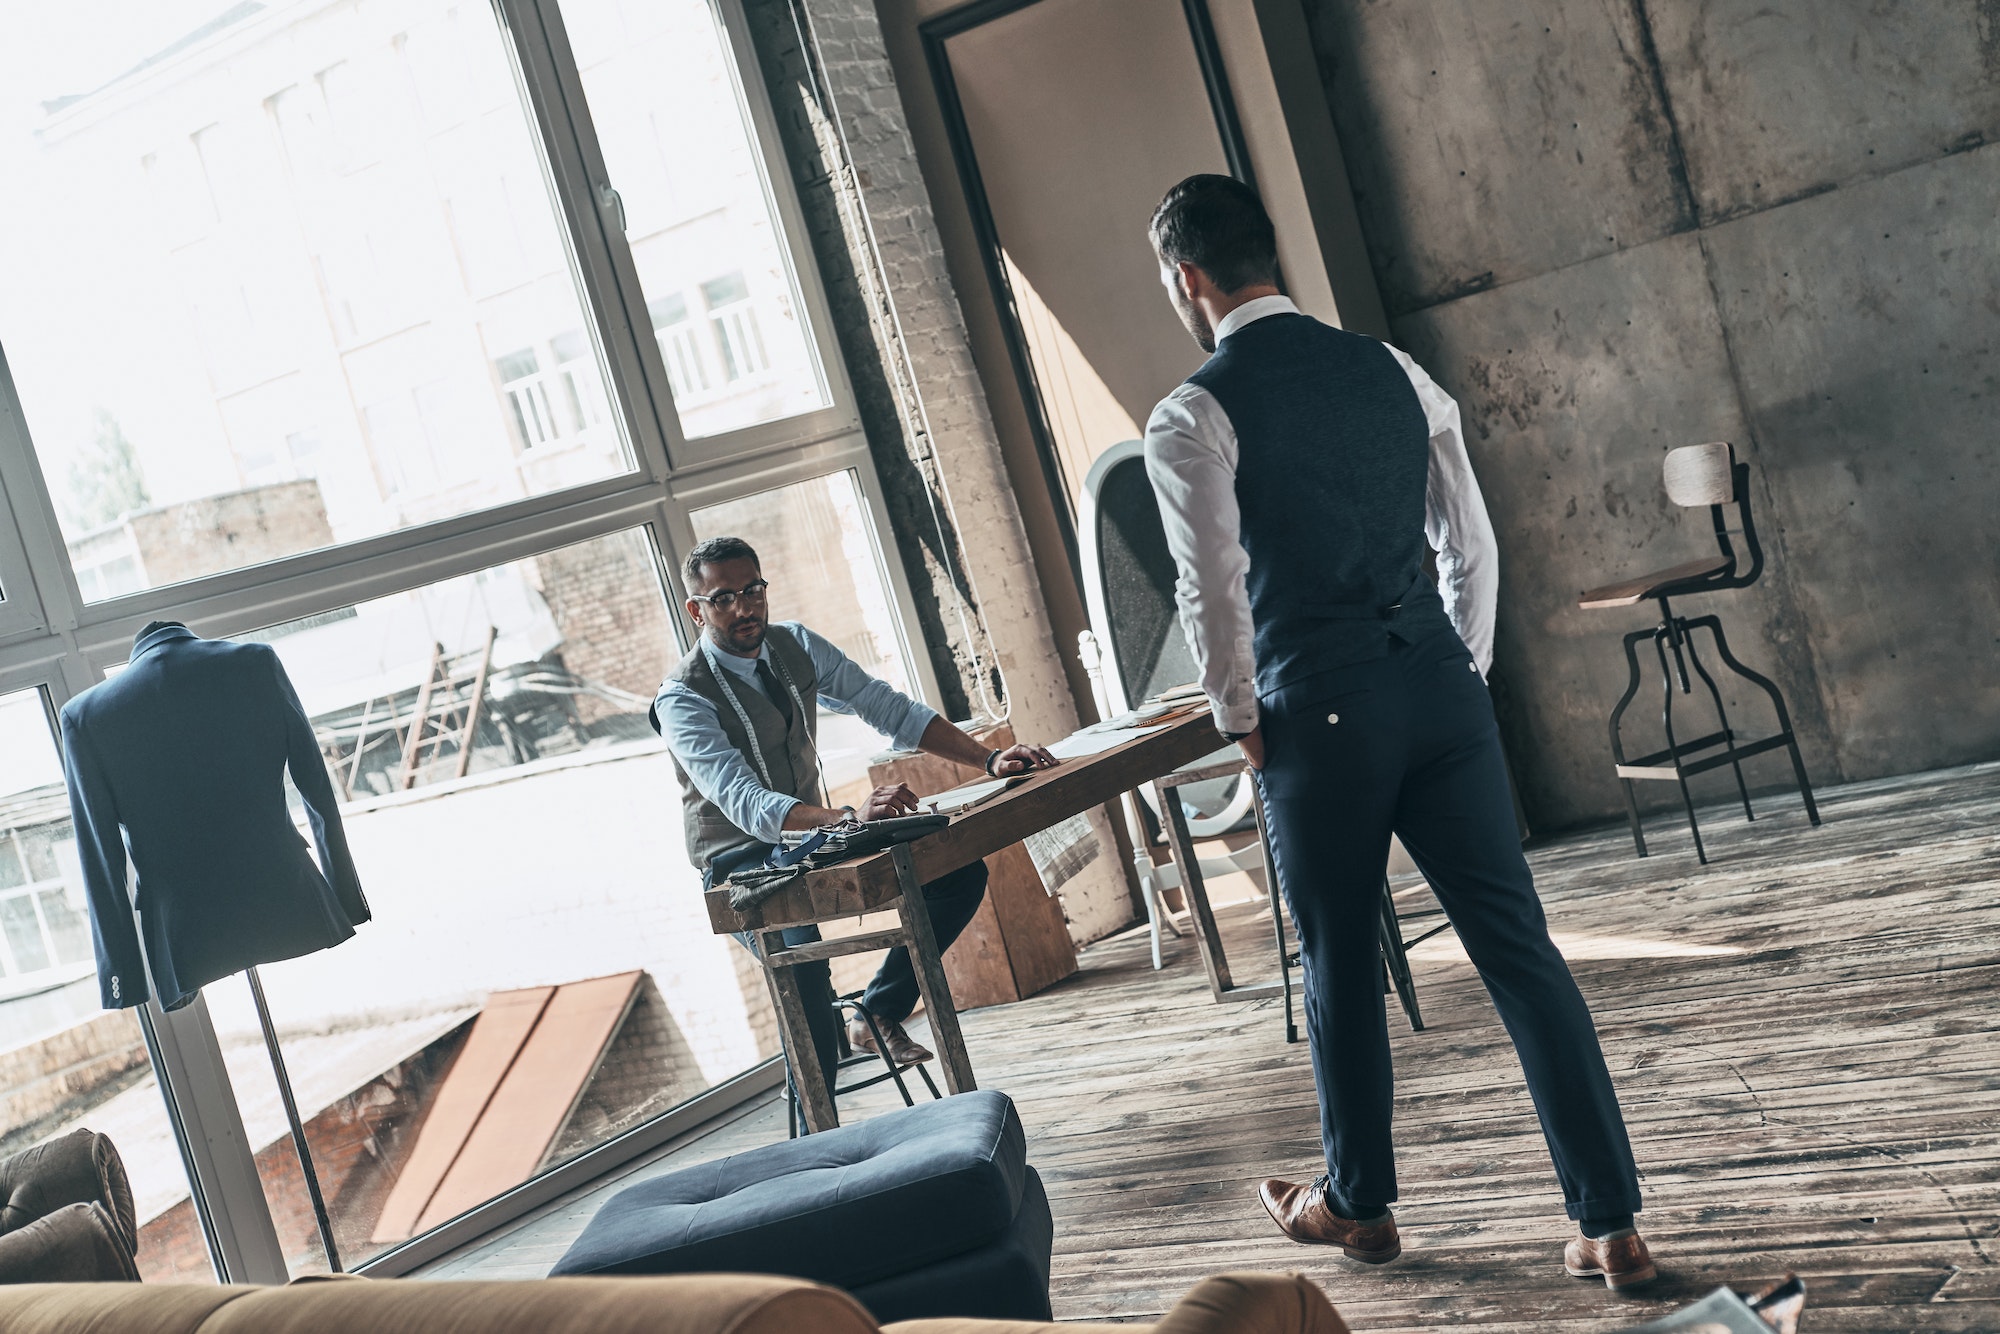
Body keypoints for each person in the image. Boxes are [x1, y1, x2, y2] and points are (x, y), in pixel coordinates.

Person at [1140, 175, 1652, 1288]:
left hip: (1315, 715)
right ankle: (1607, 1221)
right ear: (1267, 255)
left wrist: (1239, 718)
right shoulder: (1393, 368)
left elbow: (1212, 590)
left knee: (1337, 957)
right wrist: (1452, 668)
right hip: (1438, 689)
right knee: (1519, 949)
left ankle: (1360, 1207)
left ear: (1188, 280)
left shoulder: (1188, 413)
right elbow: (1468, 538)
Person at [653, 535, 1058, 1092]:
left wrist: (988, 759)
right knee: (807, 980)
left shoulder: (794, 644)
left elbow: (887, 708)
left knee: (956, 874)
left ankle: (877, 1012)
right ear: (697, 609)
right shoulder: (682, 697)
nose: (744, 608)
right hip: (741, 865)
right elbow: (744, 803)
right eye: (723, 598)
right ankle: (818, 1149)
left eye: (752, 590)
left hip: (814, 840)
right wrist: (848, 817)